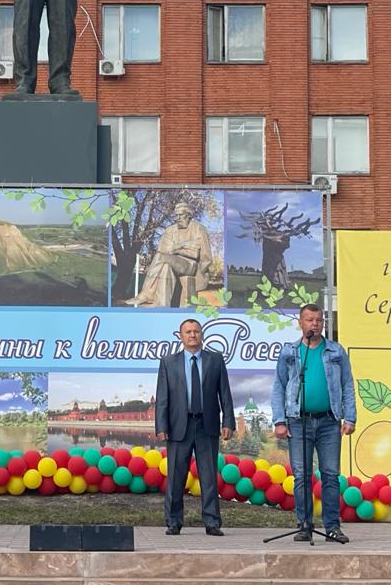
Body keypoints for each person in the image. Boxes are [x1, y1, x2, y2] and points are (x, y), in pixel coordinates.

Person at [270, 302, 356, 544]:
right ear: (300, 323)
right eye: (309, 320)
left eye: (318, 320)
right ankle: (304, 525)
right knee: (301, 476)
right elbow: (279, 386)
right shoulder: (291, 352)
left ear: (323, 323)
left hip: (329, 422)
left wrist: (349, 416)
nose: (314, 324)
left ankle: (332, 527)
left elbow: (347, 385)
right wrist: (279, 420)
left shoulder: (336, 351)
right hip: (298, 422)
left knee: (330, 475)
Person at [155, 318, 235, 536]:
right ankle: (173, 521)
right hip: (178, 426)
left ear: (202, 335)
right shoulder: (169, 362)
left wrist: (228, 420)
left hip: (206, 425)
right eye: (188, 332)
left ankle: (212, 522)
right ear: (180, 336)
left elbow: (225, 393)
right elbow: (162, 397)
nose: (193, 335)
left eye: (196, 331)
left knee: (209, 476)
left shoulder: (216, 360)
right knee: (176, 477)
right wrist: (161, 425)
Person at [127, 203, 213, 307]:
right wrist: (185, 246)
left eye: (181, 215)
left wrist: (176, 248)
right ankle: (162, 305)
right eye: (176, 215)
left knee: (160, 257)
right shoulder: (170, 230)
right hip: (172, 261)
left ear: (189, 215)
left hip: (192, 266)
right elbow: (165, 250)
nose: (178, 218)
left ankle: (146, 293)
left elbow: (204, 255)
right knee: (166, 266)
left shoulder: (198, 228)